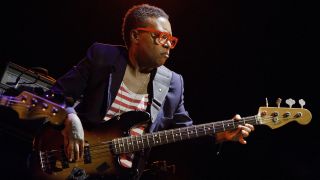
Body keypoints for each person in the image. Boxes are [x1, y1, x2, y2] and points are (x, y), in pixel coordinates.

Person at [50, 3, 254, 180]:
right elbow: (54, 95)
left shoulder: (173, 83)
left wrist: (220, 136)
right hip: (73, 165)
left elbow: (186, 131)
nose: (168, 45)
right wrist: (70, 117)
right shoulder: (103, 57)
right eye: (161, 37)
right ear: (136, 35)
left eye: (171, 39)